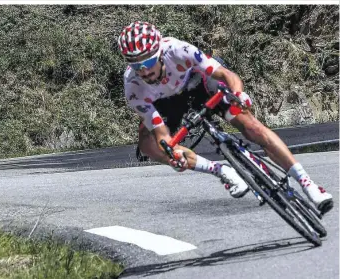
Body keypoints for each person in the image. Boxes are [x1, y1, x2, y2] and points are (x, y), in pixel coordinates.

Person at [118, 21, 333, 214]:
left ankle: (308, 183)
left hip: (199, 83)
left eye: (147, 64)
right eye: (136, 66)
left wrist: (239, 95)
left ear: (160, 54)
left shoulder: (178, 50)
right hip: (165, 103)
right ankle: (219, 169)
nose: (143, 72)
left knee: (249, 125)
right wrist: (171, 152)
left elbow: (226, 75)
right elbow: (161, 132)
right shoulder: (134, 87)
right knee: (150, 146)